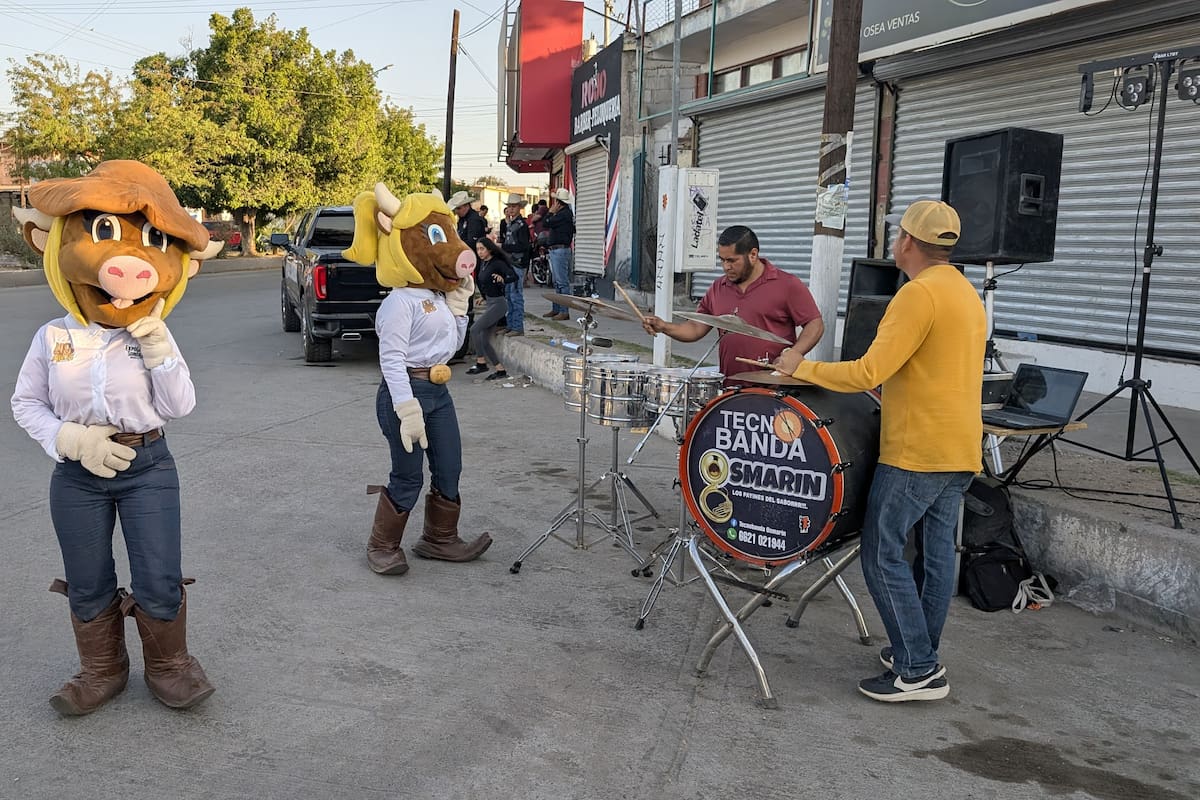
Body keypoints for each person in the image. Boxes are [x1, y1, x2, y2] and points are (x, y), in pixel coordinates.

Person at [10, 160, 221, 715]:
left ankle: (169, 666)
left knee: (158, 574)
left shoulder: (156, 332)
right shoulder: (53, 335)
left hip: (149, 465)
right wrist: (71, 440)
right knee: (87, 579)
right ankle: (102, 669)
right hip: (77, 476)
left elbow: (181, 406)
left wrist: (160, 354)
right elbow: (25, 403)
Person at [772, 199, 986, 703]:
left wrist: (799, 366)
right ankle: (920, 650)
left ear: (907, 242)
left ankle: (917, 669)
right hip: (958, 448)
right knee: (935, 557)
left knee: (881, 553)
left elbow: (868, 372)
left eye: (897, 236)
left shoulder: (917, 296)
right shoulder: (964, 292)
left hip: (917, 451)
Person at [343, 185, 493, 575]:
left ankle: (439, 539)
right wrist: (406, 407)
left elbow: (452, 348)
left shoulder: (438, 298)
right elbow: (390, 359)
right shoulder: (398, 303)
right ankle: (382, 545)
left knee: (450, 467)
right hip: (405, 393)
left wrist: (460, 310)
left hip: (438, 392)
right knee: (407, 475)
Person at [640, 225, 825, 385]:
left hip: (775, 387)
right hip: (730, 387)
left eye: (732, 260)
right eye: (722, 260)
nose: (726, 267)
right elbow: (696, 328)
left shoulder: (787, 284)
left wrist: (794, 354)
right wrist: (664, 326)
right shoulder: (718, 288)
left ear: (753, 255)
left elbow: (815, 324)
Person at [466, 239, 519, 380]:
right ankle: (500, 370)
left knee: (474, 329)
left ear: (489, 249)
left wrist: (503, 279)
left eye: (482, 249)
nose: (480, 252)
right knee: (484, 339)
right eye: (477, 249)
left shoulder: (497, 263)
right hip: (490, 302)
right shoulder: (483, 263)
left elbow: (514, 276)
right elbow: (486, 283)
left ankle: (481, 362)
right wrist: (484, 297)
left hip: (499, 305)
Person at [498, 192, 532, 336]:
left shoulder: (522, 225)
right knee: (509, 295)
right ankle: (511, 324)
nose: (511, 209)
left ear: (519, 208)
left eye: (514, 207)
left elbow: (524, 246)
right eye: (509, 207)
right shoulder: (510, 224)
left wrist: (505, 248)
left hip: (517, 264)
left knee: (515, 296)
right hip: (510, 263)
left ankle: (517, 326)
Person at [541, 188, 575, 320]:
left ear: (559, 203)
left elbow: (545, 223)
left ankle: (564, 311)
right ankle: (557, 309)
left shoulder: (563, 215)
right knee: (557, 282)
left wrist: (550, 213)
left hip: (560, 250)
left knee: (562, 282)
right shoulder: (565, 214)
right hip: (556, 250)